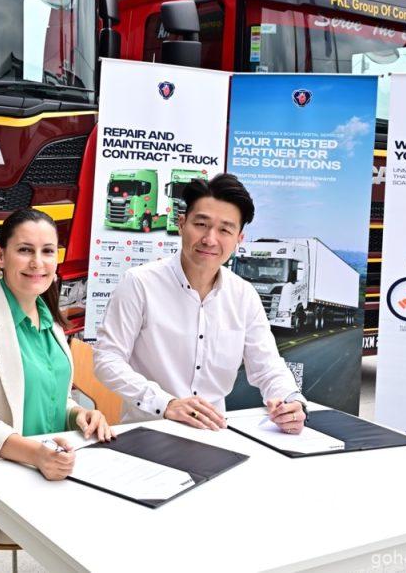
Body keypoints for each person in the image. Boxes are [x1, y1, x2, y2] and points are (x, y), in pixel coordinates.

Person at [0, 207, 113, 560]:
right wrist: (37, 456)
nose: (37, 262)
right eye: (25, 250)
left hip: (51, 475)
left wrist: (78, 414)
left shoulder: (52, 322)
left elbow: (48, 397)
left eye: (47, 251)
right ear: (0, 255)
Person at [94, 173, 307, 434]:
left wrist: (291, 401)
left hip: (214, 434)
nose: (210, 239)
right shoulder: (139, 283)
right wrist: (166, 403)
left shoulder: (244, 295)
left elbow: (268, 366)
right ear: (182, 224)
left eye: (225, 230)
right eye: (201, 224)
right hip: (148, 432)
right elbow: (107, 358)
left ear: (239, 239)